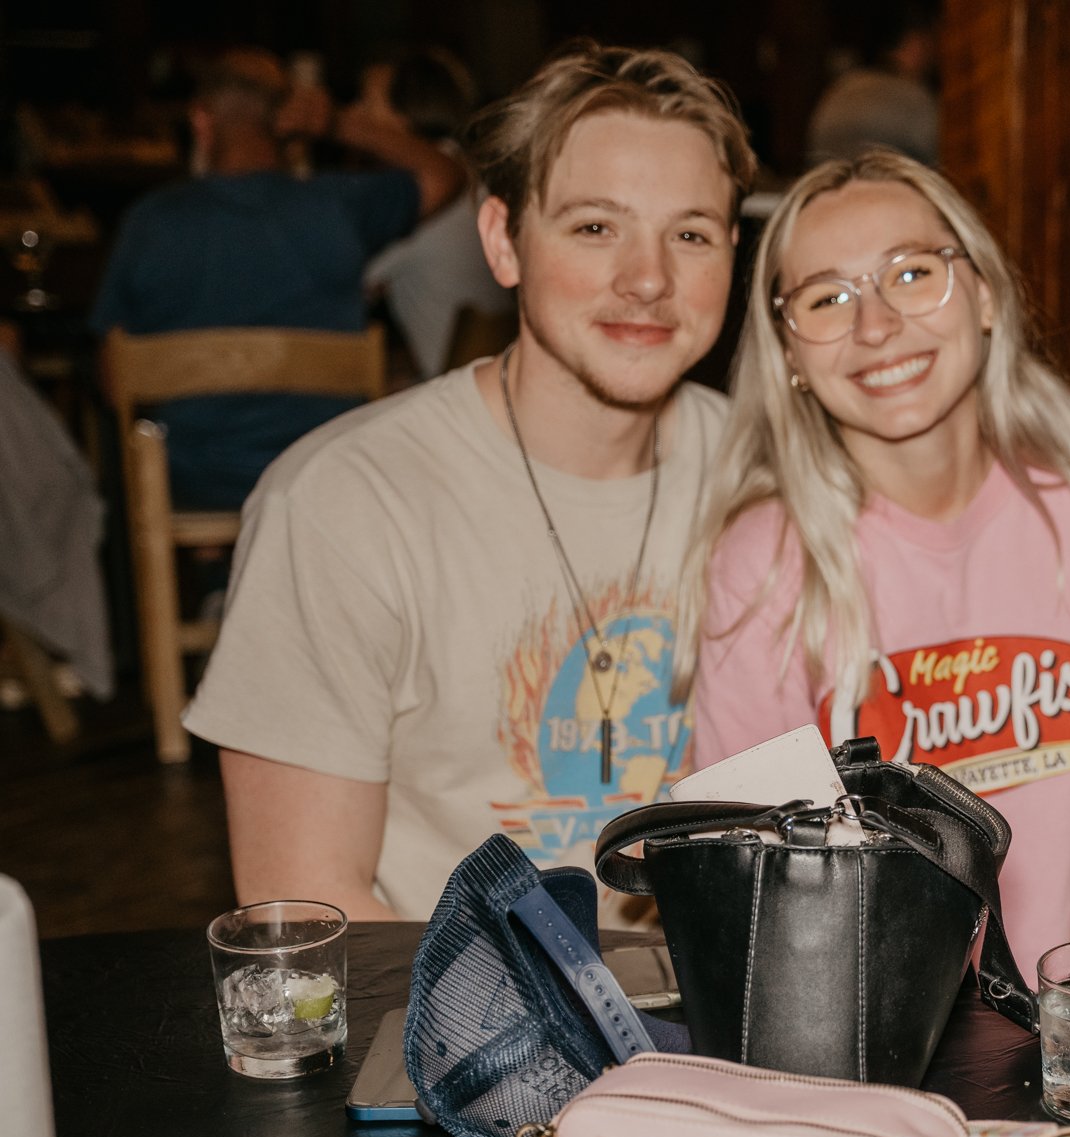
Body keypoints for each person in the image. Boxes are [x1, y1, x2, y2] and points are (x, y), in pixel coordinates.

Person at [676, 150, 1070, 1063]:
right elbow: (761, 887)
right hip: (859, 979)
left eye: (912, 274)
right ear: (791, 355)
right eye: (828, 298)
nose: (879, 323)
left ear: (984, 296)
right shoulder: (764, 563)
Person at [183, 43, 758, 924]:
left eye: (690, 234)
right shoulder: (344, 503)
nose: (649, 279)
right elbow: (301, 901)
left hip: (726, 1020)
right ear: (502, 240)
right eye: (595, 226)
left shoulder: (767, 480)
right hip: (452, 1030)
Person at [90, 47, 464, 509]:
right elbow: (444, 174)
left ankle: (212, 569)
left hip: (195, 482)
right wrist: (336, 122)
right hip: (325, 472)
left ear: (201, 122)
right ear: (286, 123)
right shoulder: (339, 207)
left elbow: (113, 378)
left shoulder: (149, 222)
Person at [360, 46, 514, 377]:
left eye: (367, 104)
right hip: (487, 371)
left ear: (403, 118)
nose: (356, 116)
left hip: (453, 390)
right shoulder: (478, 174)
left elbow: (346, 282)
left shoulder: (415, 192)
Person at [805, 3, 940, 166]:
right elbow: (942, 160)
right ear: (916, 42)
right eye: (933, 41)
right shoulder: (912, 98)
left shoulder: (842, 88)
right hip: (885, 187)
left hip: (833, 185)